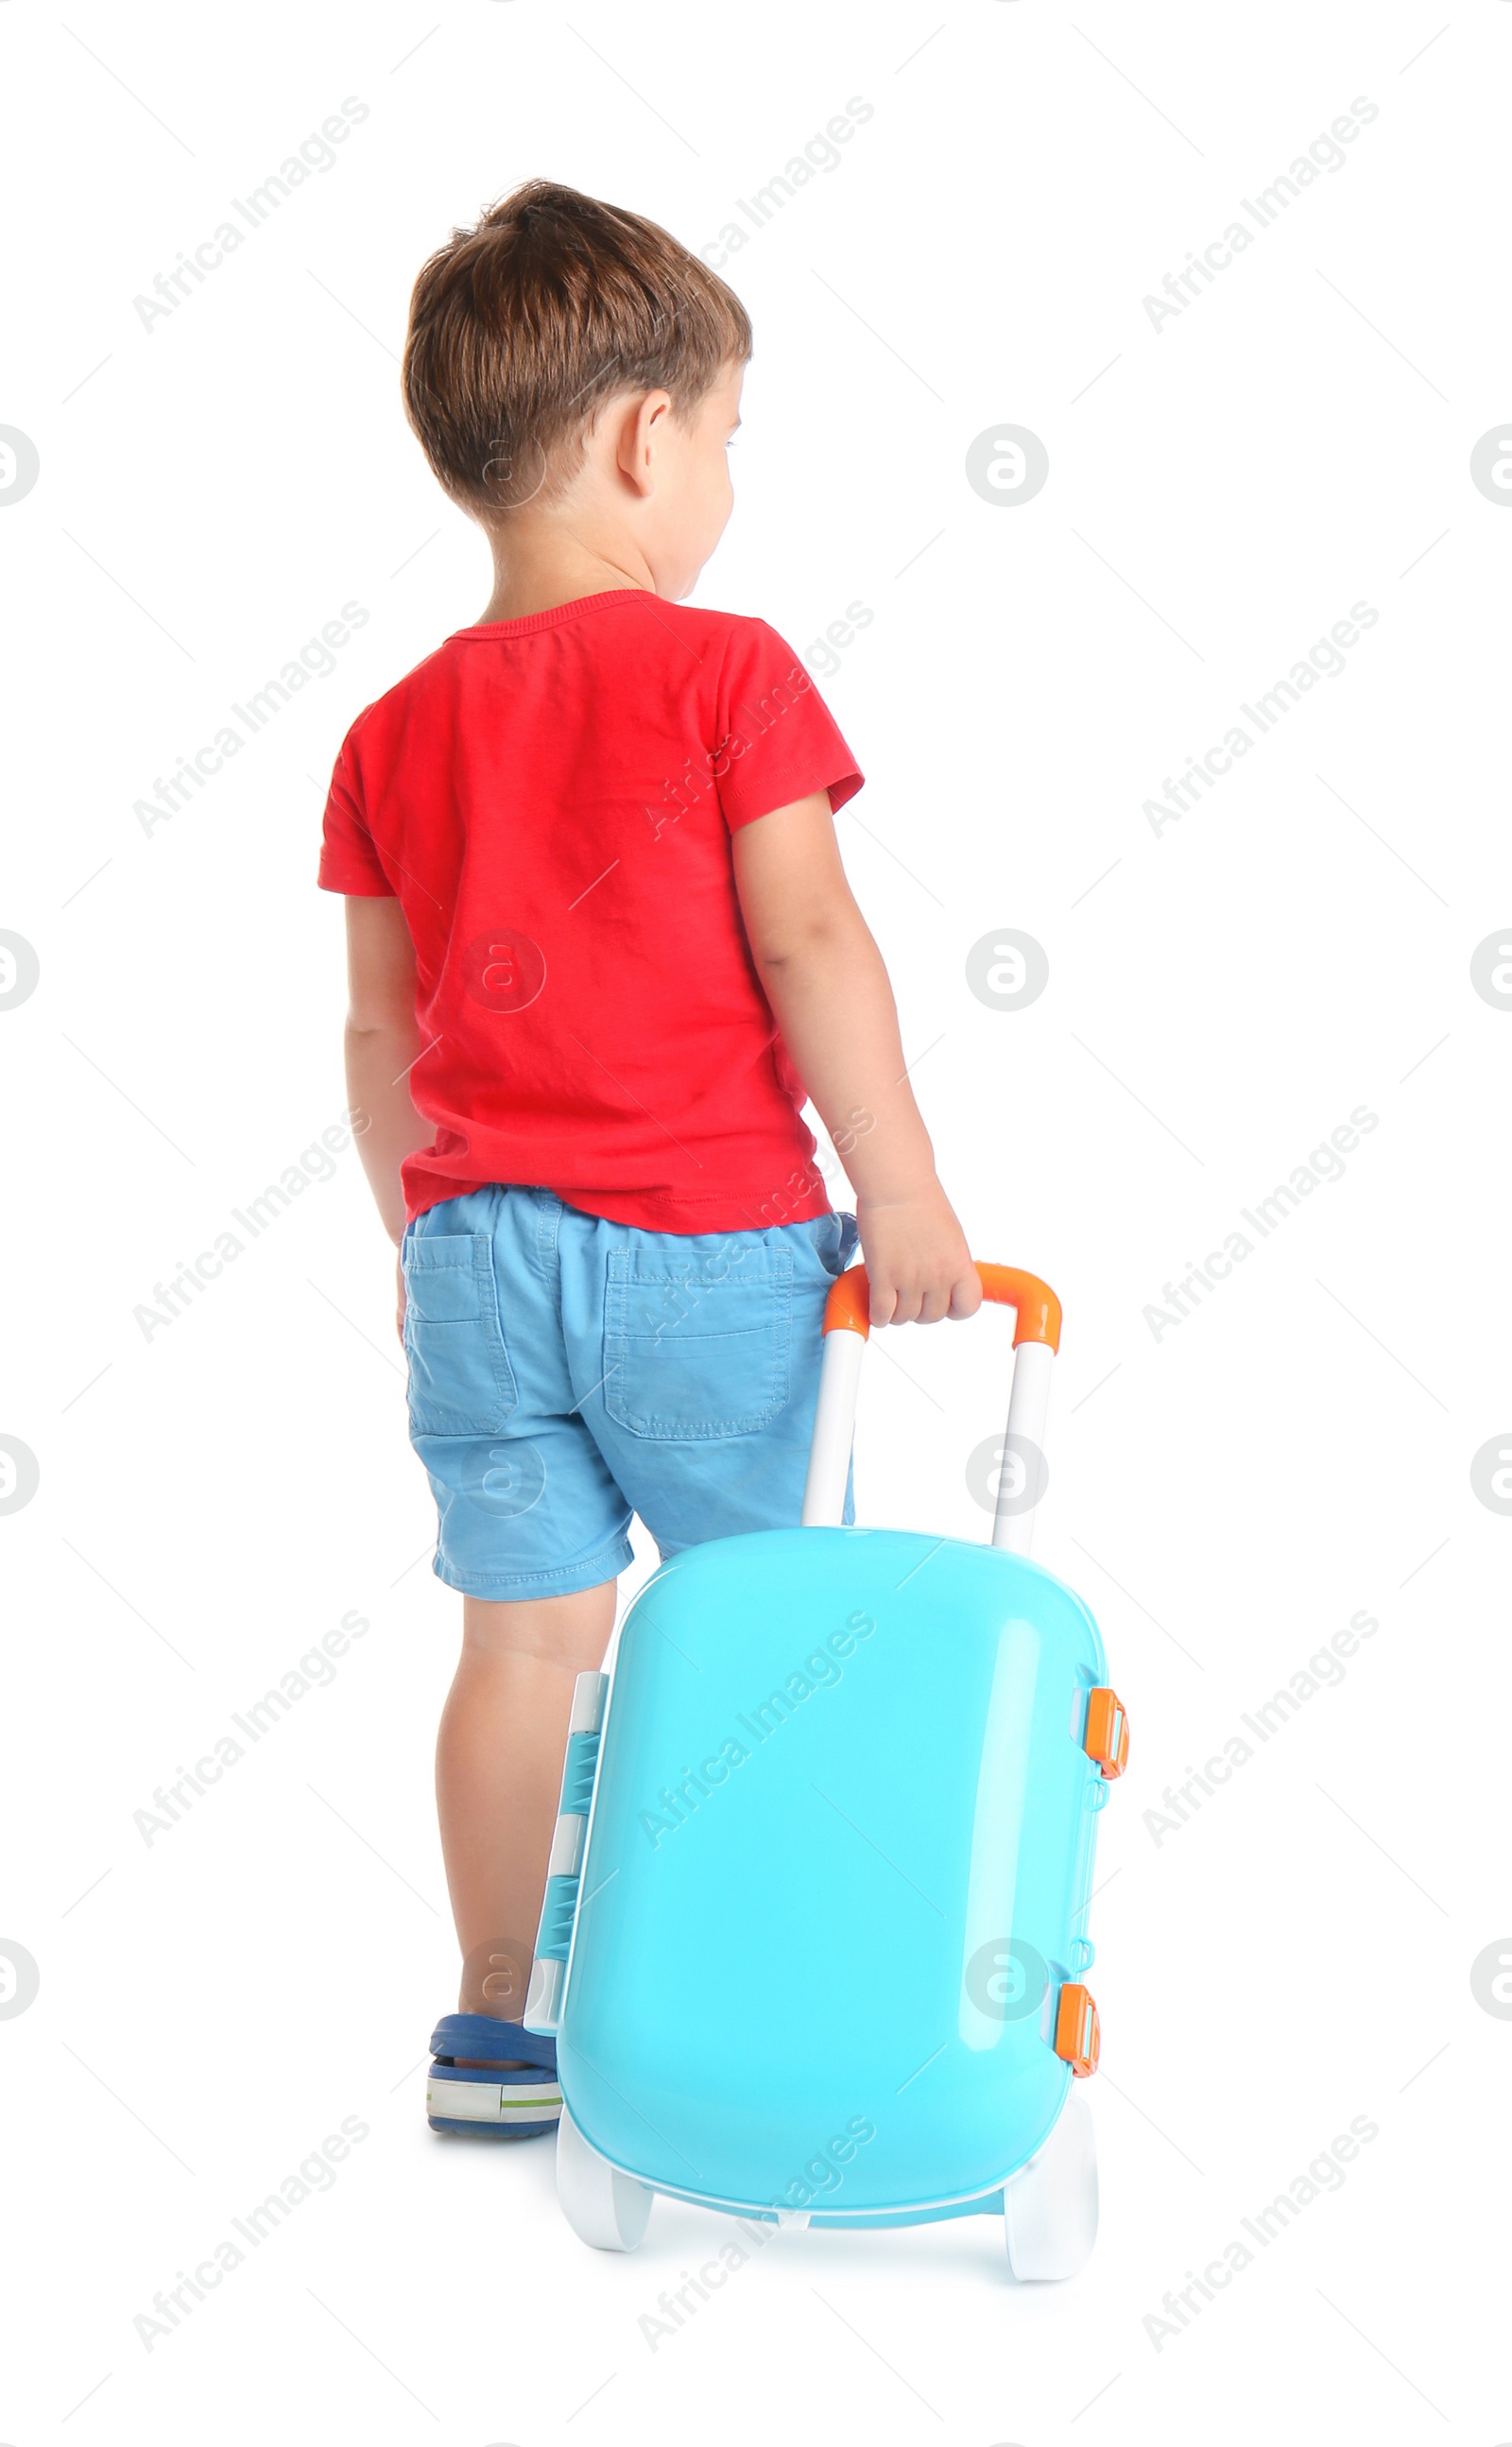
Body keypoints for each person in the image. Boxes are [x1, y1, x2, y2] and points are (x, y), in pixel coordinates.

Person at [318, 181, 979, 2139]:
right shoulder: (726, 673)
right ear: (641, 435)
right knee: (765, 1620)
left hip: (475, 1259)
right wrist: (910, 1188)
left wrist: (423, 1233)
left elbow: (378, 1028)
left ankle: (498, 2026)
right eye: (729, 435)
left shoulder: (386, 729)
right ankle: (767, 1989)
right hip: (709, 1245)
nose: (725, 484)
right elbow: (807, 944)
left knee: (522, 1640)